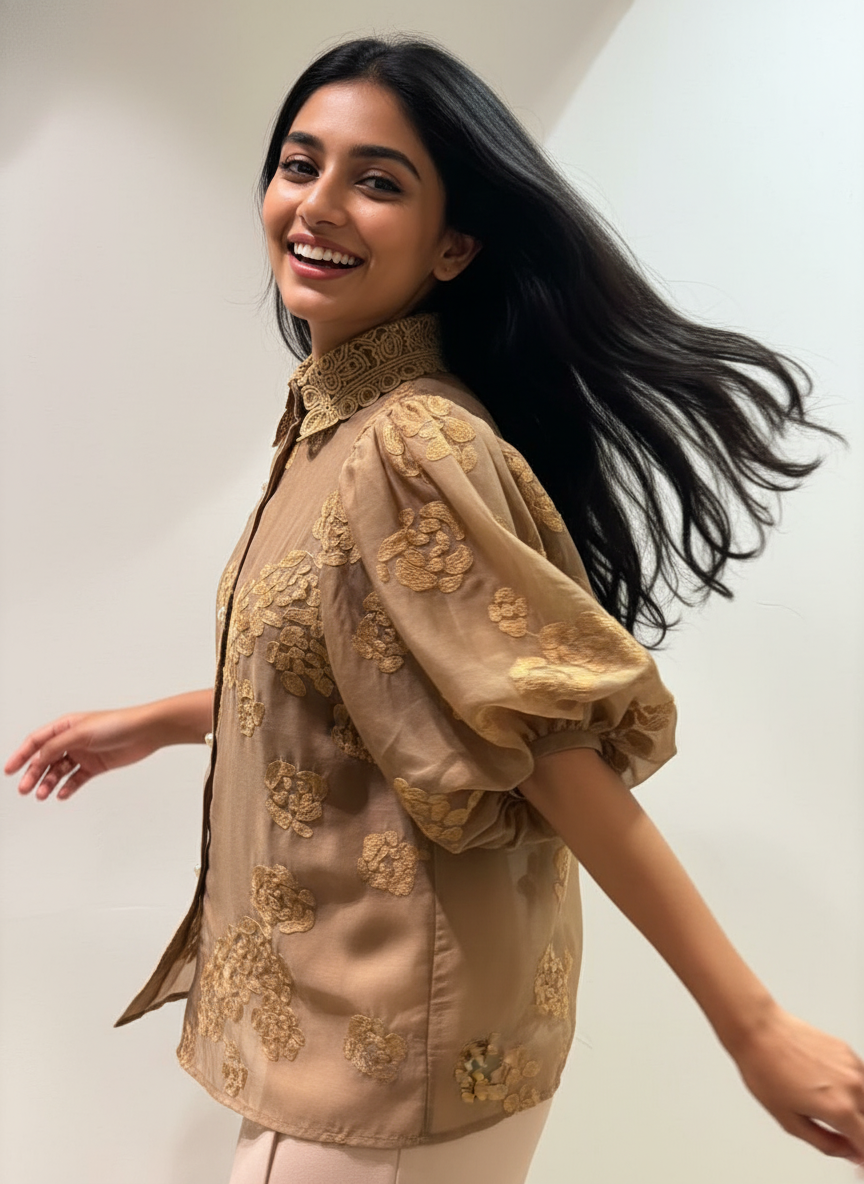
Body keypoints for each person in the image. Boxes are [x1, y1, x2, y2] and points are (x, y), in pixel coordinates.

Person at [6, 35, 864, 1184]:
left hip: (383, 1057)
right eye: (300, 164)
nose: (319, 203)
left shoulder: (404, 443)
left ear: (454, 243)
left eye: (377, 180)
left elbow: (551, 750)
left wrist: (754, 1028)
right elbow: (363, 675)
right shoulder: (338, 427)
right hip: (389, 1033)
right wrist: (157, 721)